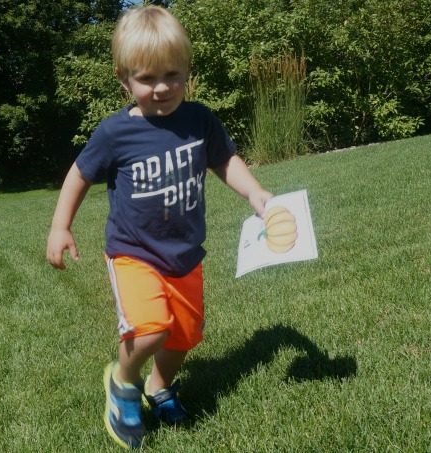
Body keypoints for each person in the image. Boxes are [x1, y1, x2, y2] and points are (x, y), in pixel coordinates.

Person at [46, 5, 273, 449]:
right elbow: (79, 174)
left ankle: (158, 386)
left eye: (172, 74)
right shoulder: (115, 134)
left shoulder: (199, 119)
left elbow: (224, 160)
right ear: (123, 78)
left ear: (187, 71)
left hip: (185, 254)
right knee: (150, 328)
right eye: (147, 79)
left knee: (185, 335)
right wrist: (60, 226)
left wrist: (255, 193)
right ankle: (124, 383)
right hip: (134, 252)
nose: (162, 87)